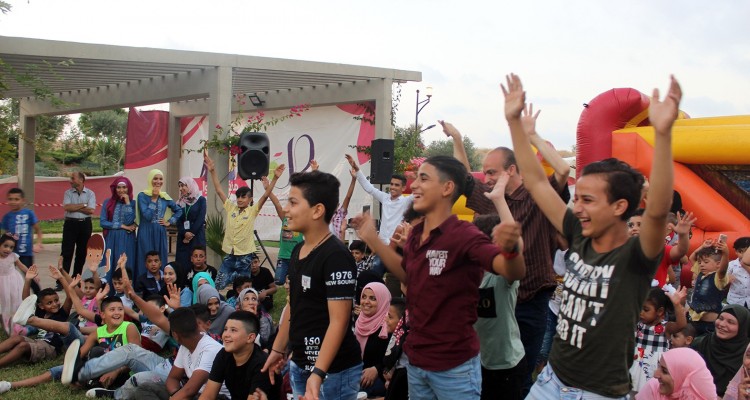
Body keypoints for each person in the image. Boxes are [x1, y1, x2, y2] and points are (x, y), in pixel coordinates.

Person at [502, 74, 681, 398]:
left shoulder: (636, 257)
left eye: (588, 200)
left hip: (596, 393)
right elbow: (537, 182)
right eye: (577, 198)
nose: (578, 207)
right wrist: (515, 123)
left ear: (619, 206)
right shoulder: (580, 235)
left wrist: (663, 133)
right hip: (550, 382)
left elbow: (657, 210)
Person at [355, 155, 526, 400]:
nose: (414, 185)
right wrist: (373, 239)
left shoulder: (464, 234)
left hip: (454, 368)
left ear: (447, 188)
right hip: (416, 362)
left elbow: (513, 271)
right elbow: (408, 276)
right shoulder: (416, 236)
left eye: (424, 178)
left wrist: (511, 250)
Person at [442, 112, 571, 394]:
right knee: (485, 370)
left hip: (530, 299)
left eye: (492, 172)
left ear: (511, 170)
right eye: (485, 172)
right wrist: (457, 139)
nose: (486, 178)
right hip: (495, 300)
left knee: (521, 373)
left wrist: (532, 135)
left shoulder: (537, 196)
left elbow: (562, 172)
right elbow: (464, 177)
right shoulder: (489, 198)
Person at [262, 170, 363, 400]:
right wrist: (278, 349)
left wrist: (318, 372)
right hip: (300, 365)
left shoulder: (336, 256)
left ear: (317, 210)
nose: (286, 209)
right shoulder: (298, 250)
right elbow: (293, 306)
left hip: (332, 373)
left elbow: (339, 321)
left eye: (293, 202)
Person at [473, 173, 527, 400]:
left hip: (506, 364)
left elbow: (516, 250)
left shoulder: (501, 276)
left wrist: (499, 200)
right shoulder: (467, 274)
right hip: (476, 361)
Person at [204, 152, 283, 290]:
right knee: (218, 284)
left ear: (250, 199)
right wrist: (212, 171)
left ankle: (241, 295)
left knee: (243, 287)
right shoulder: (231, 208)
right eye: (238, 197)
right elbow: (219, 190)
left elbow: (265, 195)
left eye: (243, 197)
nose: (240, 200)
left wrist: (275, 178)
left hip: (245, 256)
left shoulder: (252, 211)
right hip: (230, 254)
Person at [133, 307, 228, 399]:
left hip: (217, 397)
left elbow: (190, 390)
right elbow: (172, 378)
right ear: (197, 325)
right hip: (193, 394)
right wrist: (175, 394)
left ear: (175, 335)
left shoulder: (210, 350)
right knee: (144, 389)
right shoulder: (185, 346)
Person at [346, 153, 413, 277]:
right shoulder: (385, 198)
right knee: (374, 276)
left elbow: (420, 192)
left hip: (397, 247)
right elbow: (369, 188)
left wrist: (417, 176)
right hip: (382, 247)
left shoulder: (406, 201)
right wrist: (357, 169)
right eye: (391, 184)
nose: (393, 187)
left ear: (403, 188)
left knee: (400, 278)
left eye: (397, 185)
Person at [199, 311, 274, 400]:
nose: (226, 335)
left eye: (233, 330)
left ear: (250, 337)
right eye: (225, 329)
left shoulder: (262, 364)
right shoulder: (224, 354)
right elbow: (208, 396)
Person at [631, 287, 688, 392]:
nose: (641, 312)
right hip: (636, 363)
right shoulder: (637, 324)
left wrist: (677, 305)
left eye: (646, 310)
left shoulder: (665, 327)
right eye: (640, 308)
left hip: (654, 369)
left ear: (660, 311)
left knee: (652, 392)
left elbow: (682, 324)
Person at [691, 305, 750, 397]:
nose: (722, 324)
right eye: (720, 318)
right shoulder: (700, 344)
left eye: (730, 322)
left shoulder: (747, 354)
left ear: (742, 327)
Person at [135, 169, 183, 279]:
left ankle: (161, 283)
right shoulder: (142, 195)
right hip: (145, 231)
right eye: (155, 178)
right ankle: (143, 284)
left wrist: (169, 222)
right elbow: (147, 216)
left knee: (159, 257)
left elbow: (179, 211)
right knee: (145, 257)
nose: (158, 181)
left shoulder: (164, 196)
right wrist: (154, 198)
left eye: (160, 179)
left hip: (159, 231)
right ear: (150, 180)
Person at [628, 208, 694, 287]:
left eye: (639, 224)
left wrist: (683, 235)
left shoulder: (659, 250)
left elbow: (681, 251)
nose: (634, 228)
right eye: (631, 225)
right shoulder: (621, 251)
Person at [262, 176, 303, 286]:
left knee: (295, 282)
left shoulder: (302, 220)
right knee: (279, 281)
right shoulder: (284, 218)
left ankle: (291, 293)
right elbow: (276, 203)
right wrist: (267, 188)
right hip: (283, 257)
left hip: (296, 258)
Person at [1, 187, 43, 291]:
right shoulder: (7, 217)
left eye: (16, 199)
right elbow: (5, 235)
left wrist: (38, 243)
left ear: (23, 200)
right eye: (10, 199)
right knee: (9, 277)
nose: (13, 202)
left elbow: (38, 230)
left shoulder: (29, 213)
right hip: (10, 253)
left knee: (31, 278)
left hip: (26, 254)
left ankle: (40, 298)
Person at [355, 282, 392, 398]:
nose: (366, 302)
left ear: (382, 301)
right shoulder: (358, 321)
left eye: (373, 298)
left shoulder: (388, 326)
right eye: (364, 297)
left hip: (378, 381)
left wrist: (377, 369)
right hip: (355, 376)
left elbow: (396, 359)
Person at [635, 348, 717, 400]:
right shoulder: (653, 387)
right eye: (658, 366)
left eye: (665, 371)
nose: (655, 375)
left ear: (684, 378)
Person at [99, 177, 137, 286]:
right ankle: (108, 290)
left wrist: (127, 202)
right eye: (118, 187)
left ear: (129, 188)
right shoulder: (108, 202)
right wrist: (122, 226)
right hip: (111, 238)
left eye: (124, 187)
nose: (121, 190)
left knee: (125, 263)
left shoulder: (133, 203)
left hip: (127, 239)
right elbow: (103, 222)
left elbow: (130, 221)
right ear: (114, 189)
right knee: (110, 263)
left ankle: (126, 291)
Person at [61, 172, 96, 286]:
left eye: (73, 178)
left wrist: (75, 207)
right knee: (66, 252)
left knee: (81, 253)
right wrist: (83, 205)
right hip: (70, 224)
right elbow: (67, 207)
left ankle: (76, 278)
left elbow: (91, 210)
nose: (70, 181)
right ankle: (62, 280)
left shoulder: (90, 193)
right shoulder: (68, 193)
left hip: (85, 225)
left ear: (81, 180)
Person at [689, 243, 730, 336]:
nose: (702, 265)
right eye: (700, 262)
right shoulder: (700, 273)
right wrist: (702, 246)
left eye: (706, 262)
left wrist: (726, 253)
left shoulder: (718, 277)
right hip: (695, 320)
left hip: (709, 324)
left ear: (718, 264)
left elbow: (723, 269)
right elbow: (691, 258)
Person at [0, 233, 32, 335]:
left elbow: (21, 266)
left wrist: (30, 273)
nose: (8, 249)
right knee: (3, 302)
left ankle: (13, 321)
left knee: (14, 300)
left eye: (11, 247)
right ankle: (4, 321)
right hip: (2, 283)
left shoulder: (13, 256)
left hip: (13, 282)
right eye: (5, 246)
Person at [176, 176, 206, 282]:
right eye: (179, 186)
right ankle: (183, 285)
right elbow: (178, 220)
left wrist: (190, 234)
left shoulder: (201, 200)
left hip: (197, 236)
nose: (181, 188)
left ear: (190, 185)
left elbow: (200, 218)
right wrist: (185, 233)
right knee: (183, 264)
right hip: (183, 238)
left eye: (183, 185)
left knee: (197, 262)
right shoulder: (179, 202)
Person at [725, 237, 750, 307]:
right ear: (736, 252)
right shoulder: (732, 265)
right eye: (740, 251)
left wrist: (744, 265)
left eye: (747, 252)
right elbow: (722, 279)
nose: (744, 254)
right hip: (734, 300)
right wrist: (727, 278)